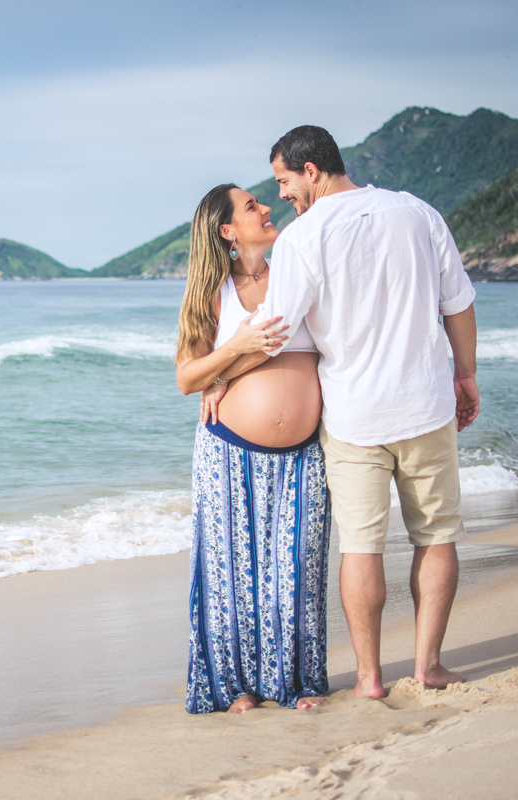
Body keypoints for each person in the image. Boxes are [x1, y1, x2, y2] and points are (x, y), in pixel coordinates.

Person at [256, 125, 479, 698]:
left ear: (311, 171)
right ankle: (428, 666)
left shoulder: (302, 239)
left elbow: (275, 333)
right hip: (426, 405)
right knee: (436, 536)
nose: (281, 193)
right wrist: (465, 374)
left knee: (361, 545)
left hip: (354, 417)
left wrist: (221, 371)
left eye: (283, 180)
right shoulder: (418, 212)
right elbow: (458, 304)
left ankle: (370, 679)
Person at [176, 183, 332, 714]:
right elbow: (185, 378)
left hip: (304, 453)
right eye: (251, 207)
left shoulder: (298, 274)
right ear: (227, 231)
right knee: (230, 577)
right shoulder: (210, 292)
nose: (266, 208)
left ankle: (296, 684)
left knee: (298, 570)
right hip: (227, 451)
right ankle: (234, 687)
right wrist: (235, 348)